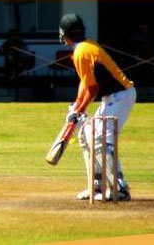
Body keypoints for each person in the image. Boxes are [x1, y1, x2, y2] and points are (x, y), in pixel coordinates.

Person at [58, 14, 136, 201]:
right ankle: (97, 187)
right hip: (113, 97)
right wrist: (77, 106)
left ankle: (120, 188)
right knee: (86, 136)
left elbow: (93, 88)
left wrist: (80, 110)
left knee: (101, 138)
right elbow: (86, 84)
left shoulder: (81, 51)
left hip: (120, 95)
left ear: (65, 33)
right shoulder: (85, 47)